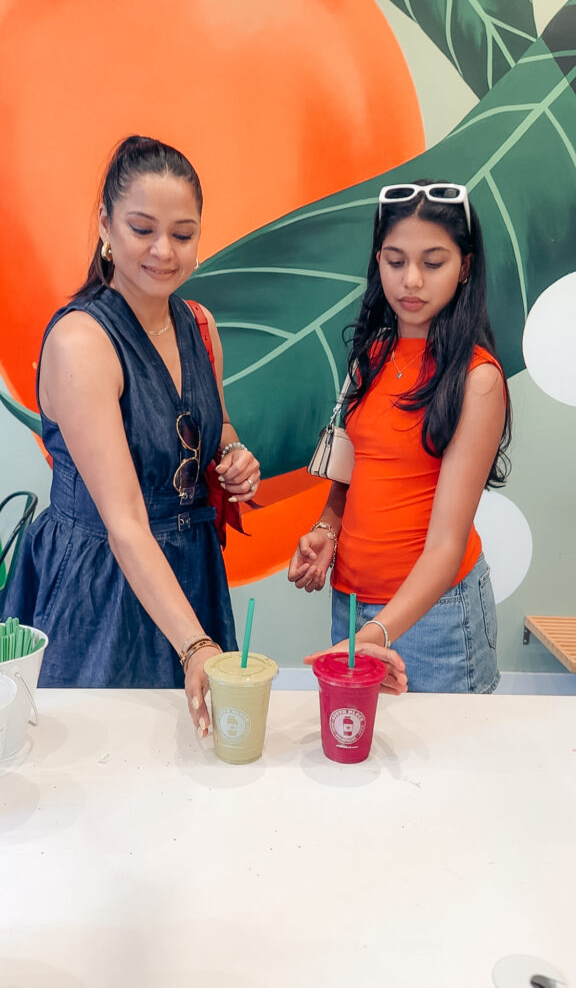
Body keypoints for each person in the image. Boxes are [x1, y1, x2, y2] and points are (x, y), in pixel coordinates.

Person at [3, 135, 260, 736]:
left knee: (193, 755)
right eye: (142, 229)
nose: (163, 251)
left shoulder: (199, 325)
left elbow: (214, 423)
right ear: (105, 225)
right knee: (102, 758)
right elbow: (123, 522)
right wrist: (196, 644)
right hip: (99, 585)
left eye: (183, 234)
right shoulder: (82, 343)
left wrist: (231, 453)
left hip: (190, 570)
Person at [289, 181, 511, 694]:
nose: (411, 280)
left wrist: (374, 635)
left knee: (440, 748)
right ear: (378, 261)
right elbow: (356, 471)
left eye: (433, 263)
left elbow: (447, 547)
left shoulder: (477, 379)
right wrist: (327, 530)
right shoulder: (371, 355)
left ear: (465, 267)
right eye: (395, 261)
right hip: (352, 606)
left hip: (436, 618)